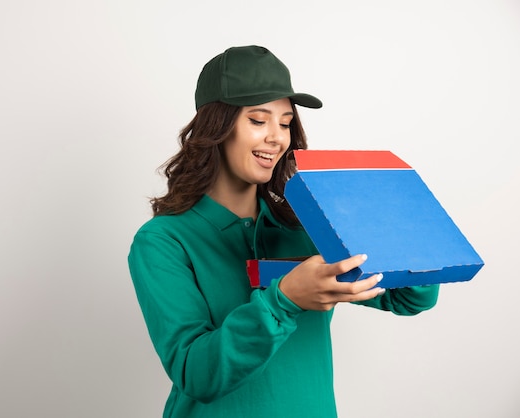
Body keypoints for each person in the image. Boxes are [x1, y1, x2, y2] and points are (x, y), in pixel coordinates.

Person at [128, 45, 439, 418]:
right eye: (258, 121)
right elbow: (196, 374)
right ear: (217, 127)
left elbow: (407, 300)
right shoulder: (164, 241)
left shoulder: (308, 227)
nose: (277, 137)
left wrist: (404, 233)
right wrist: (285, 300)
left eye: (286, 122)